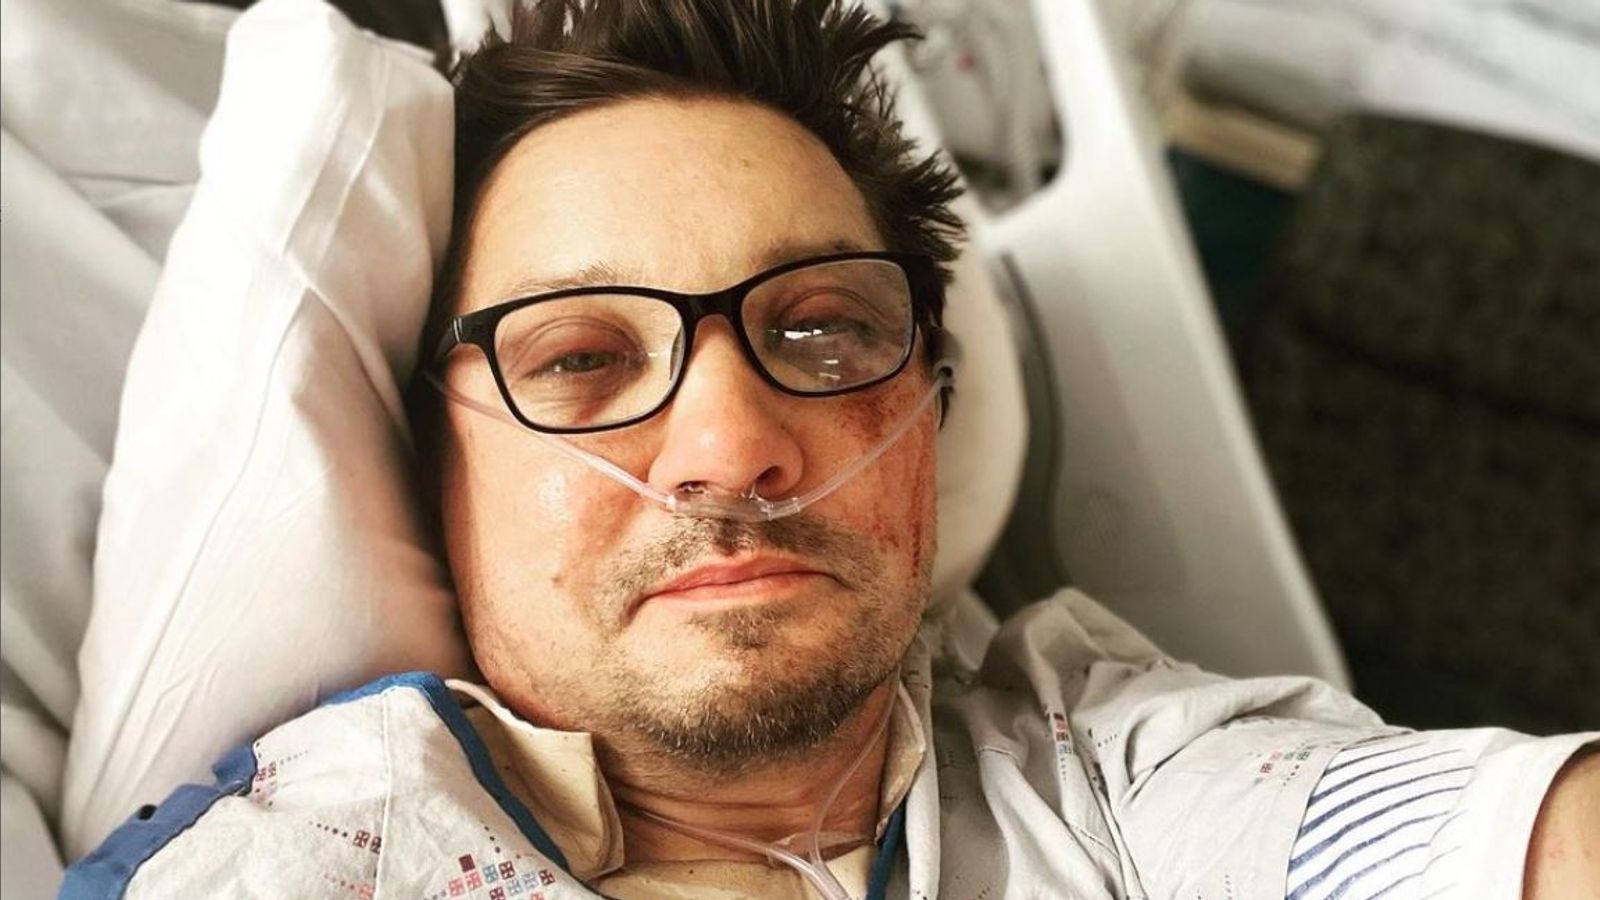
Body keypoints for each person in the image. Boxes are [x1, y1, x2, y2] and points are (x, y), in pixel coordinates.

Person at [62, 1, 1596, 898]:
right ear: (437, 467)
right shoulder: (301, 864)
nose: (731, 445)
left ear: (930, 414)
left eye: (820, 334)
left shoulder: (1105, 777)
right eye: (584, 359)